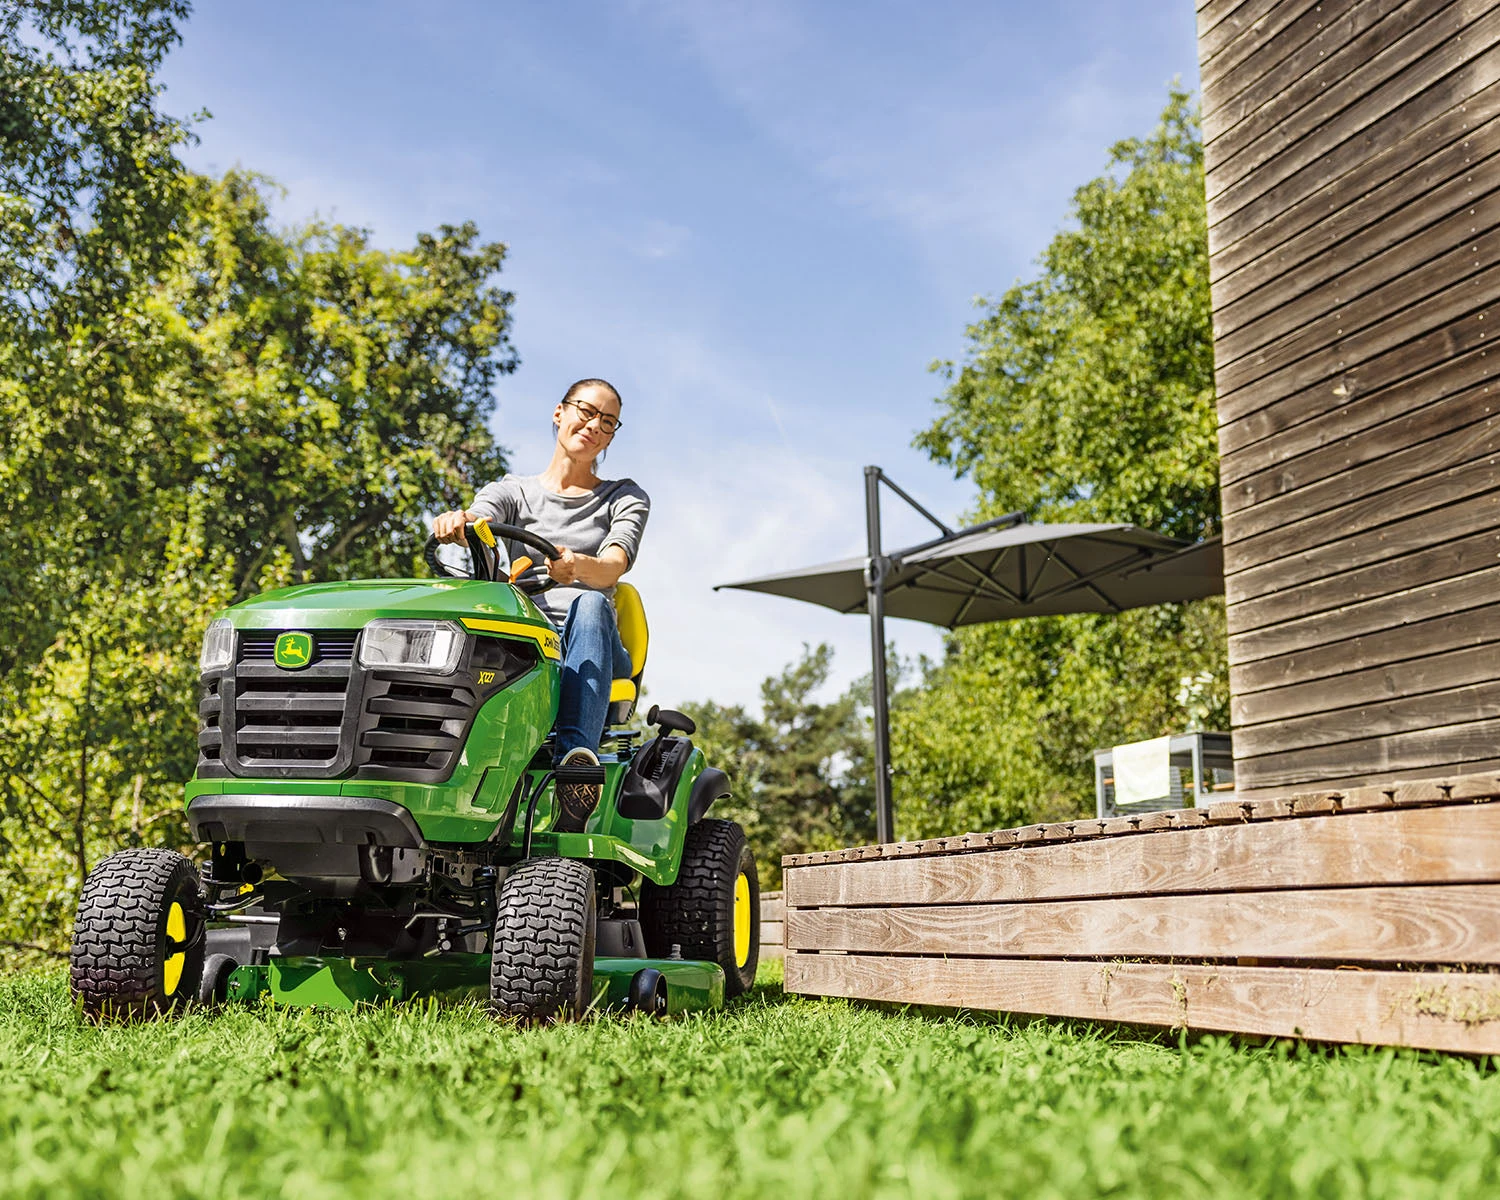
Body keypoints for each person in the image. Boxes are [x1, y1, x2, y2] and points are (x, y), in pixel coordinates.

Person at [431, 378, 649, 830]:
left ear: (611, 436)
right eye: (586, 412)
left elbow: (613, 567)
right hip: (529, 640)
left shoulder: (624, 496)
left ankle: (574, 771)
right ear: (560, 412)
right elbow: (480, 514)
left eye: (607, 422)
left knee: (589, 604)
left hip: (596, 643)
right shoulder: (514, 491)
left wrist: (577, 567)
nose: (593, 426)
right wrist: (461, 521)